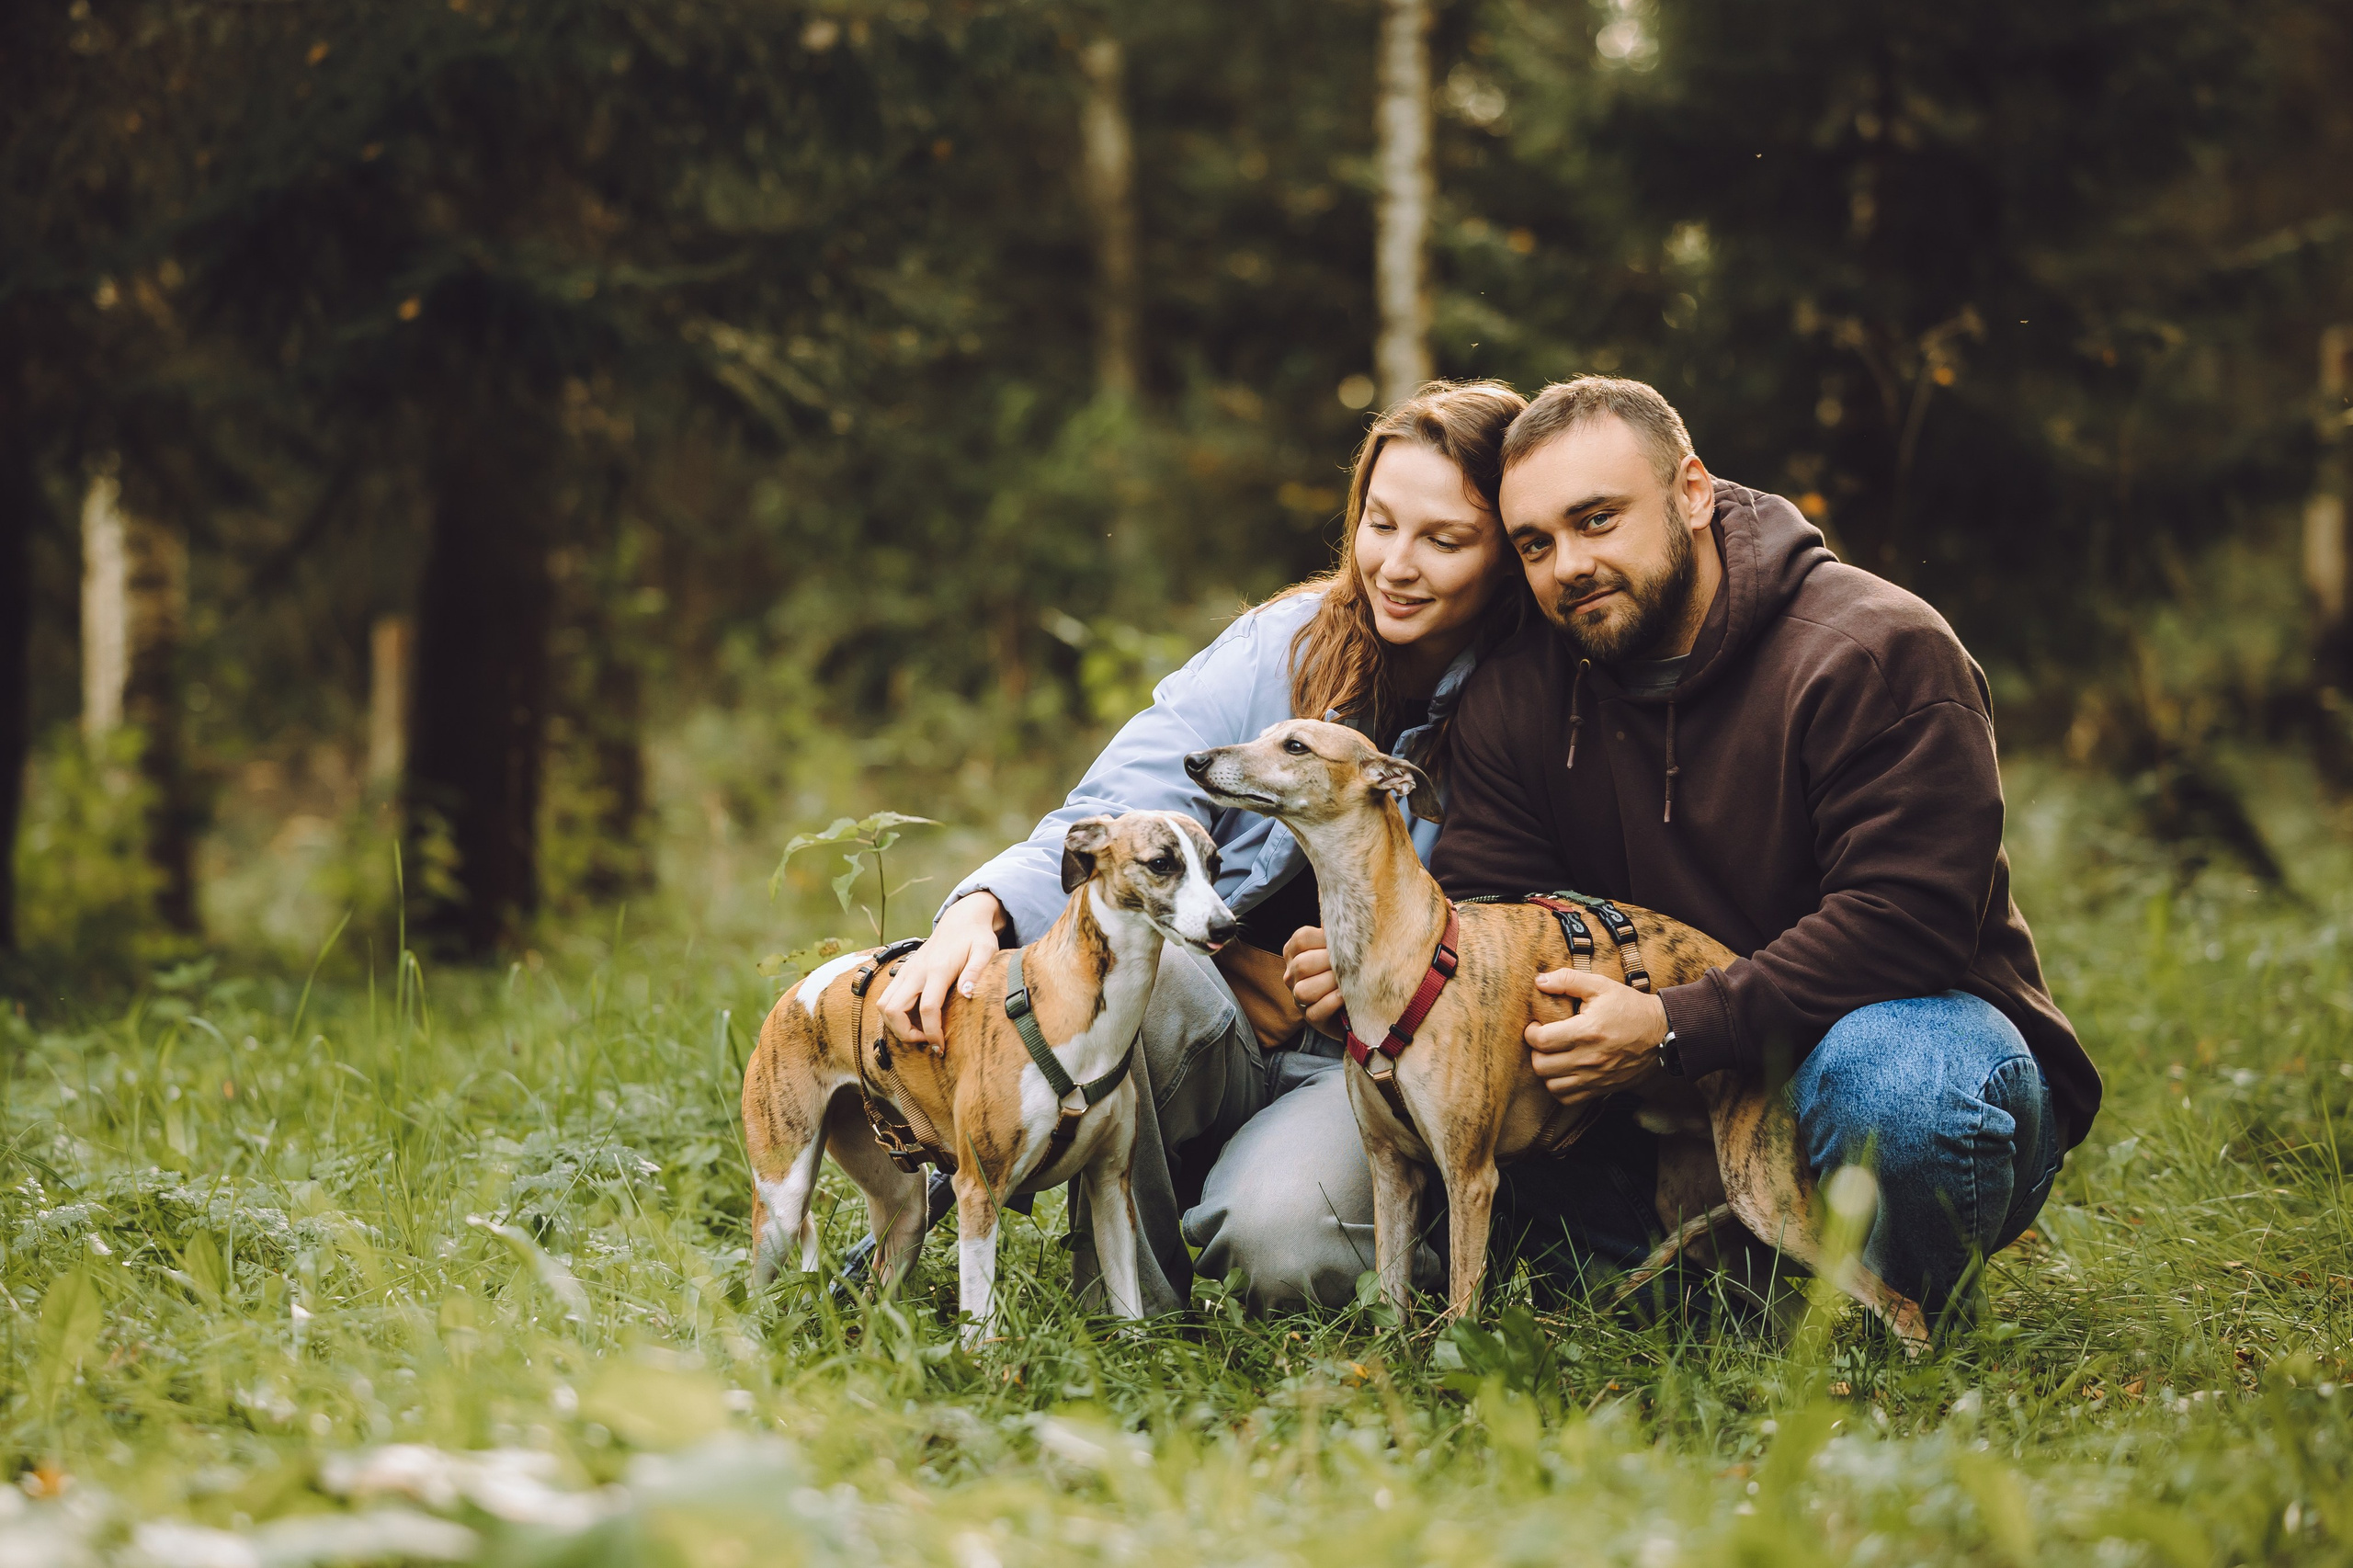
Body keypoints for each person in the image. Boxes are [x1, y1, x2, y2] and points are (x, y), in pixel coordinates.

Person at [1279, 375, 2100, 1323]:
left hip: (1879, 1032)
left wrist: (1674, 1023)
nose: (1569, 564)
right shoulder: (1517, 692)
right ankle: (1740, 1296)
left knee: (1899, 1088)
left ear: (1694, 492)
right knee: (1481, 1117)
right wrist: (1393, 964)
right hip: (1659, 1102)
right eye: (1535, 544)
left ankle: (1900, 1306)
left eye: (1597, 519)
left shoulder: (1875, 650)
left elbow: (1906, 922)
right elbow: (1486, 904)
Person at [870, 380, 1533, 1313]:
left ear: (1510, 554)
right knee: (1124, 951)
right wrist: (975, 911)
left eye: (1445, 540)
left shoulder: (1538, 707)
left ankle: (1353, 1232)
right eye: (1379, 523)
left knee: (1279, 1241)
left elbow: (1534, 924)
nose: (1395, 564)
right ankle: (1124, 1316)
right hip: (1219, 1023)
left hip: (1377, 1066)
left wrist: (1383, 977)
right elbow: (1114, 808)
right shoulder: (1280, 647)